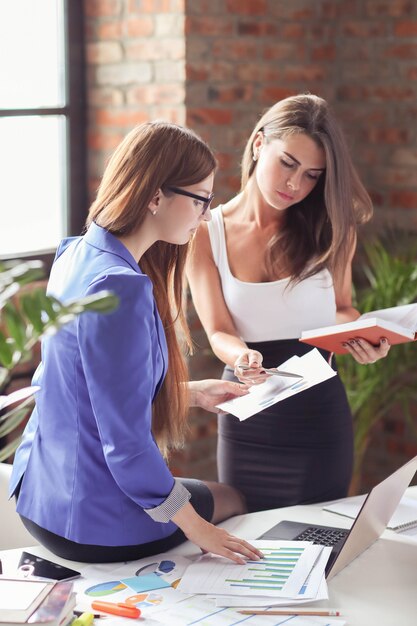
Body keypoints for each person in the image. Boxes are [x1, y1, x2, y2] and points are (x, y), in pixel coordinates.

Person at [9, 121, 263, 564]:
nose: (206, 215)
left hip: (42, 498)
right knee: (235, 499)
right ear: (155, 196)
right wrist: (201, 532)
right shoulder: (121, 288)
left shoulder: (77, 253)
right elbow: (126, 445)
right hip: (92, 522)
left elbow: (81, 389)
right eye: (201, 199)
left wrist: (189, 394)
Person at [186, 94, 391, 513]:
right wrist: (242, 356)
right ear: (259, 144)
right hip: (249, 409)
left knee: (322, 540)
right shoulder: (206, 233)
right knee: (250, 543)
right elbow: (219, 331)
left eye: (313, 175)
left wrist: (358, 337)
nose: (296, 185)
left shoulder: (331, 228)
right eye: (288, 164)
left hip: (319, 414)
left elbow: (344, 307)